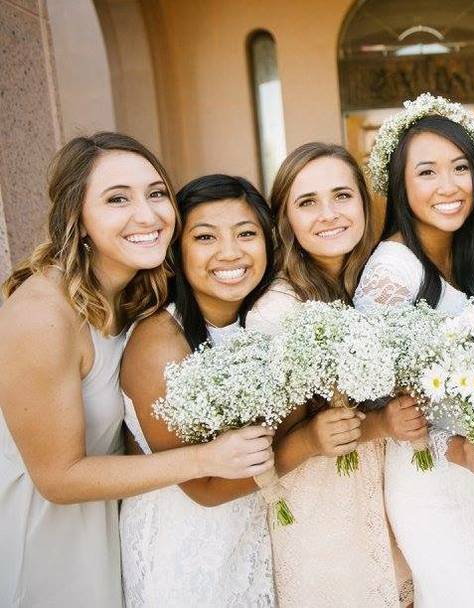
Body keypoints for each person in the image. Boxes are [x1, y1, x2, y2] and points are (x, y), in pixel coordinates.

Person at [0, 134, 273, 607]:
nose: (146, 214)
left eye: (156, 193)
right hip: (39, 532)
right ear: (77, 219)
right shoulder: (42, 313)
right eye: (117, 199)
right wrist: (207, 458)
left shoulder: (133, 293)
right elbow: (58, 478)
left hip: (106, 524)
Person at [353, 94, 474, 608]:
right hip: (432, 483)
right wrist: (453, 447)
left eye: (460, 167)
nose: (448, 186)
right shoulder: (394, 268)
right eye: (427, 172)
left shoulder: (471, 253)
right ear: (401, 185)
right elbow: (376, 401)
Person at [246, 143, 413, 607]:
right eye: (307, 202)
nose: (328, 214)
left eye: (342, 195)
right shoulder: (276, 312)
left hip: (386, 504)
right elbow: (264, 455)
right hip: (321, 518)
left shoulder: (376, 282)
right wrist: (343, 432)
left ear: (363, 202)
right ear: (286, 220)